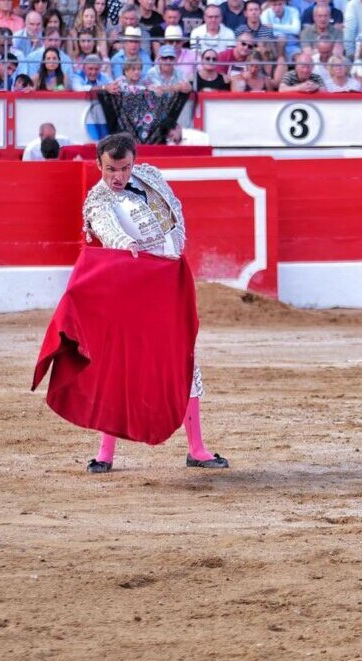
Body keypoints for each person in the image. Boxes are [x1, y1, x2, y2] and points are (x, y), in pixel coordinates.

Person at [76, 133, 228, 474]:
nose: (118, 176)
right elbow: (107, 228)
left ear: (134, 162)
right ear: (98, 164)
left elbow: (174, 210)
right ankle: (105, 453)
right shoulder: (97, 200)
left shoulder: (151, 175)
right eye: (111, 169)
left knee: (183, 361)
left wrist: (172, 252)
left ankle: (197, 449)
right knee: (119, 367)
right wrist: (124, 243)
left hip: (167, 281)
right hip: (129, 287)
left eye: (125, 168)